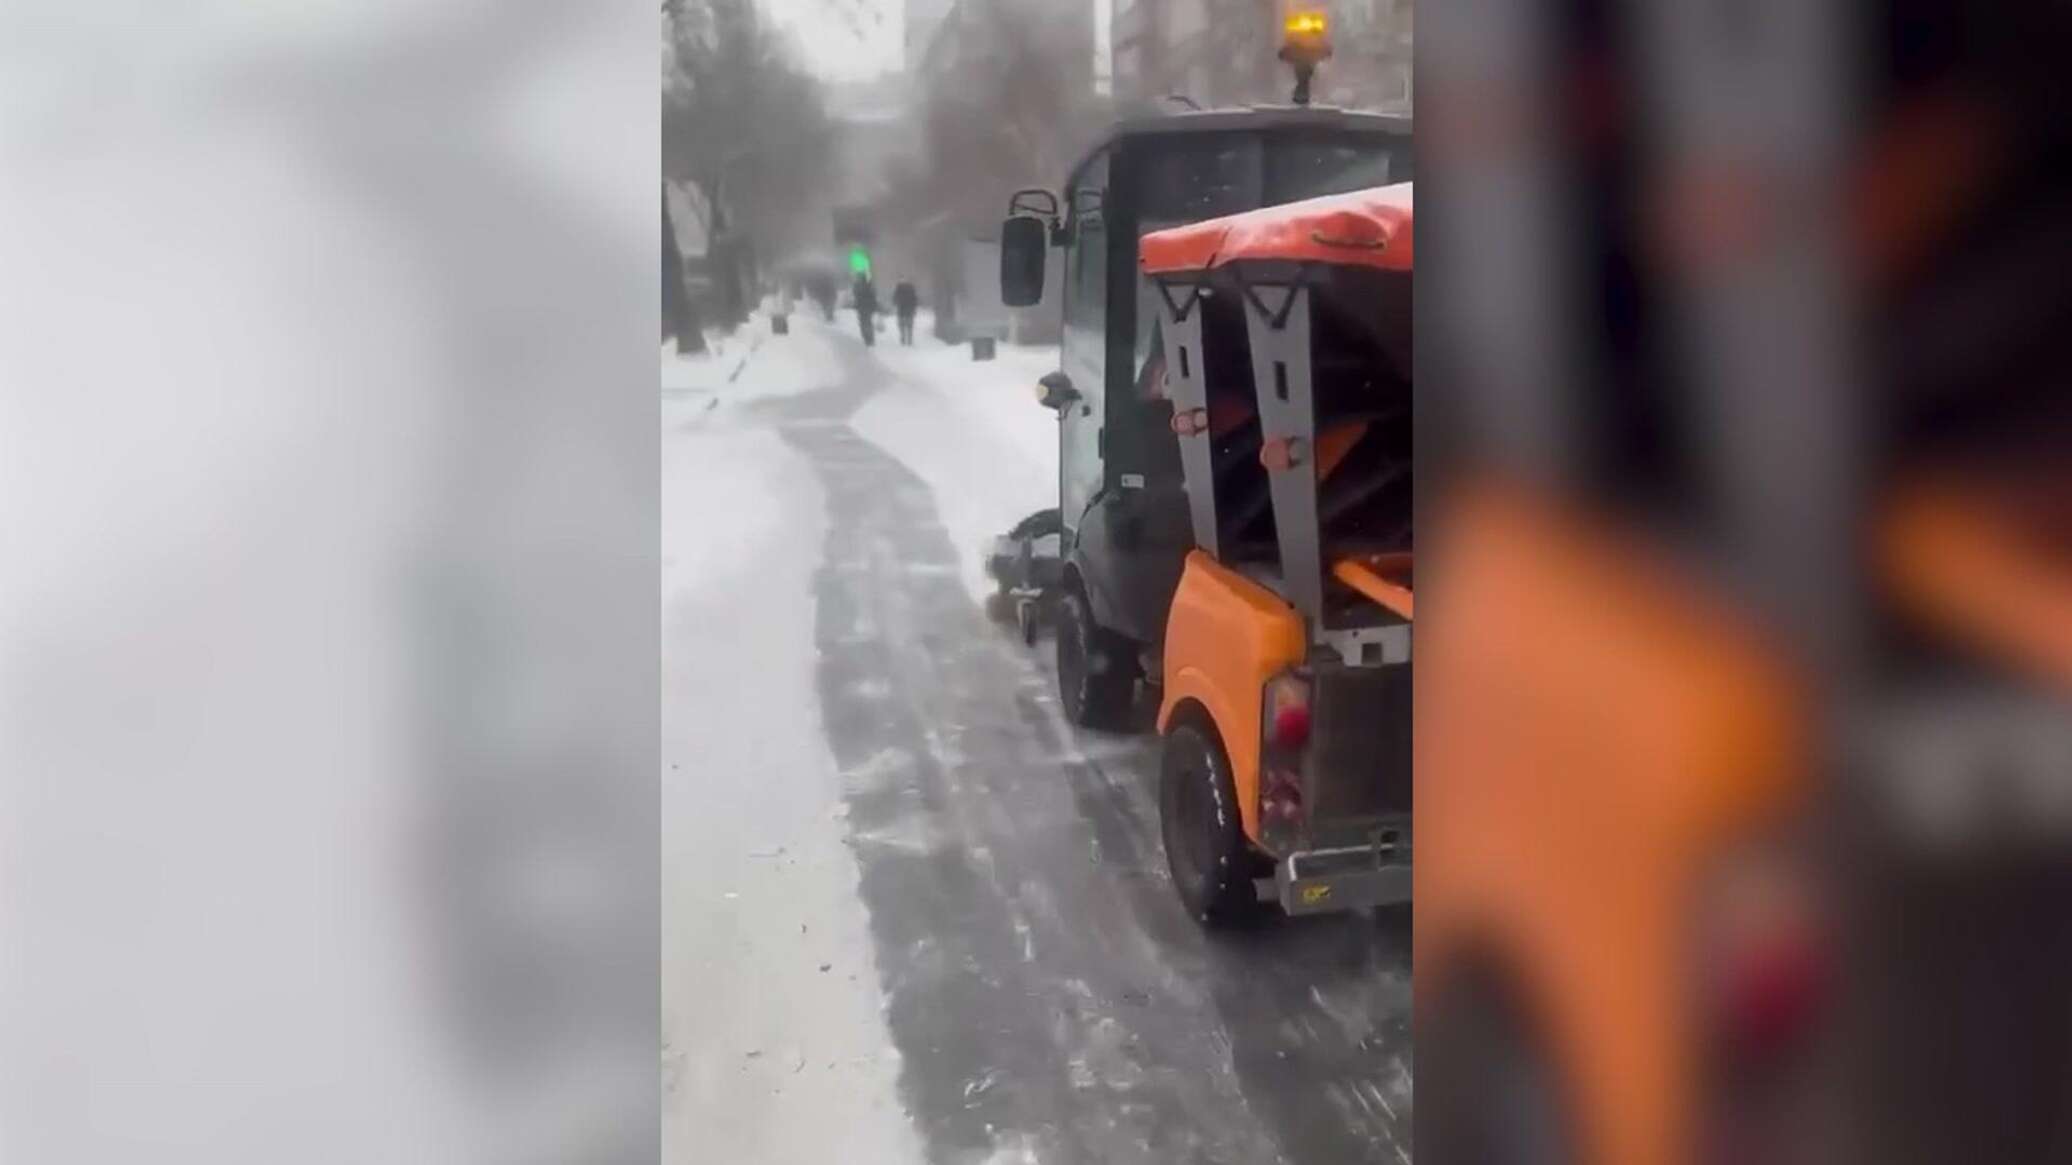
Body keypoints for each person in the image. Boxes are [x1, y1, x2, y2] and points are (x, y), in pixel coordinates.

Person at [852, 274, 879, 347]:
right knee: (868, 322)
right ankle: (870, 338)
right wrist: (875, 306)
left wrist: (856, 305)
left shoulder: (858, 286)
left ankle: (867, 338)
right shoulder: (871, 286)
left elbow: (856, 295)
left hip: (862, 307)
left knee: (863, 323)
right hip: (869, 307)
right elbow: (874, 296)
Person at [892, 280, 919, 346]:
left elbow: (894, 299)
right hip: (910, 310)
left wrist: (896, 303)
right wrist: (914, 309)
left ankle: (903, 338)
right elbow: (915, 300)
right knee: (910, 325)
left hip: (901, 310)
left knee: (901, 325)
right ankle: (909, 339)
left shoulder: (898, 288)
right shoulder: (911, 289)